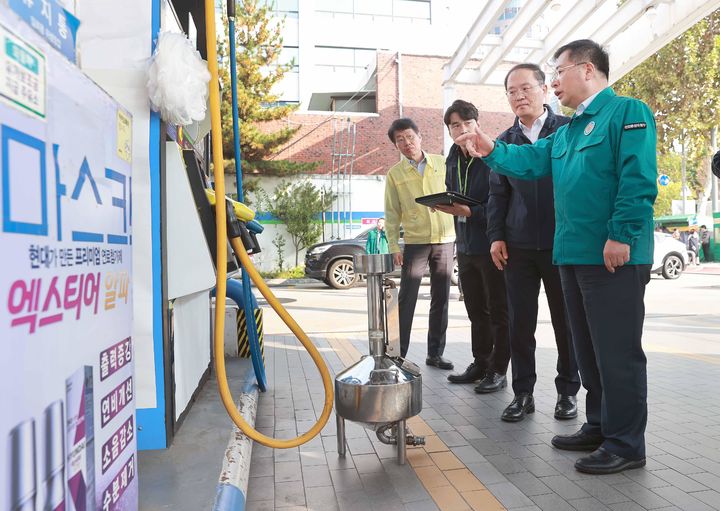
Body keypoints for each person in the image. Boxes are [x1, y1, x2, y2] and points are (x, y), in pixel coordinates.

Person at [457, 39, 657, 475]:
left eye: (558, 71)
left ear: (587, 70)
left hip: (611, 257)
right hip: (572, 256)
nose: (555, 81)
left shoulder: (627, 113)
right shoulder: (567, 132)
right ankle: (601, 425)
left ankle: (626, 443)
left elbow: (638, 180)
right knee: (588, 352)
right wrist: (492, 149)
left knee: (617, 353)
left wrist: (621, 234)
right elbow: (528, 161)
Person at [486, 63, 580, 422]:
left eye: (525, 88)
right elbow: (497, 196)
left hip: (562, 244)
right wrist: (496, 236)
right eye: (511, 91)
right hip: (519, 246)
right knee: (520, 324)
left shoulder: (569, 131)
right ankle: (522, 393)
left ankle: (567, 392)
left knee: (566, 323)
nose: (519, 96)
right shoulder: (504, 144)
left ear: (544, 89)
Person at [436, 100, 510, 393]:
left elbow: (501, 199)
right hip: (464, 246)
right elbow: (453, 191)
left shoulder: (490, 152)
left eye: (467, 123)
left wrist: (472, 212)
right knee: (475, 310)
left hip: (491, 244)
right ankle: (481, 362)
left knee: (499, 310)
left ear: (477, 124)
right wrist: (443, 204)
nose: (462, 130)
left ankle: (499, 369)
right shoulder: (452, 156)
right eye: (456, 125)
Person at [384, 118, 456, 368]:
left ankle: (435, 353)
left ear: (420, 136)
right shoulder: (395, 174)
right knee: (407, 298)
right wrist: (394, 246)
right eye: (399, 140)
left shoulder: (442, 162)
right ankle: (397, 353)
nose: (406, 143)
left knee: (441, 298)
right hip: (415, 242)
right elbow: (391, 213)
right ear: (396, 145)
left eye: (409, 137)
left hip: (445, 239)